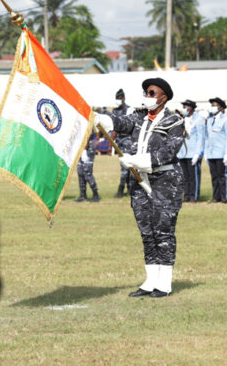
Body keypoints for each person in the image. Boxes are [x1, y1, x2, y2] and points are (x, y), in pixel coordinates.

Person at [96, 77, 184, 298]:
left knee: (163, 231)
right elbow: (120, 123)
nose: (147, 96)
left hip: (164, 181)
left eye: (152, 93)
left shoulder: (174, 121)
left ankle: (164, 283)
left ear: (164, 96)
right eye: (146, 92)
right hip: (138, 180)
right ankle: (150, 280)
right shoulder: (138, 117)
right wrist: (100, 118)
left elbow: (168, 152)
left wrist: (137, 160)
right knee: (146, 231)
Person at [204, 97, 227, 203]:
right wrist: (206, 153)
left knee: (222, 176)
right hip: (212, 153)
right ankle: (216, 196)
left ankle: (225, 196)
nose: (213, 107)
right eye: (212, 105)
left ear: (221, 107)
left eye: (215, 105)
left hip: (222, 152)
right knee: (214, 176)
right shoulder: (210, 120)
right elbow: (207, 137)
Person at [176, 100, 205, 202]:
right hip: (182, 152)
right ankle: (187, 195)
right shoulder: (181, 119)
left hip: (193, 152)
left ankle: (194, 196)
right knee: (185, 176)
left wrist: (198, 153)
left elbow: (201, 137)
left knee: (193, 177)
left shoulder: (199, 119)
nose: (184, 108)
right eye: (183, 106)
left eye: (186, 107)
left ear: (192, 108)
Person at [112, 88, 133, 198]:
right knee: (124, 165)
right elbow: (113, 127)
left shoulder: (129, 110)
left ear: (124, 98)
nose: (118, 100)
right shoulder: (115, 111)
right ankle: (129, 188)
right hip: (119, 142)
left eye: (120, 98)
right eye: (117, 98)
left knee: (126, 165)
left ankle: (121, 189)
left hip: (128, 141)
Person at [74, 133, 100, 202]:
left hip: (88, 146)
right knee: (80, 172)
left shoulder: (87, 122)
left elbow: (89, 132)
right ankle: (83, 196)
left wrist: (86, 143)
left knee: (87, 173)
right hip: (80, 145)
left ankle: (96, 195)